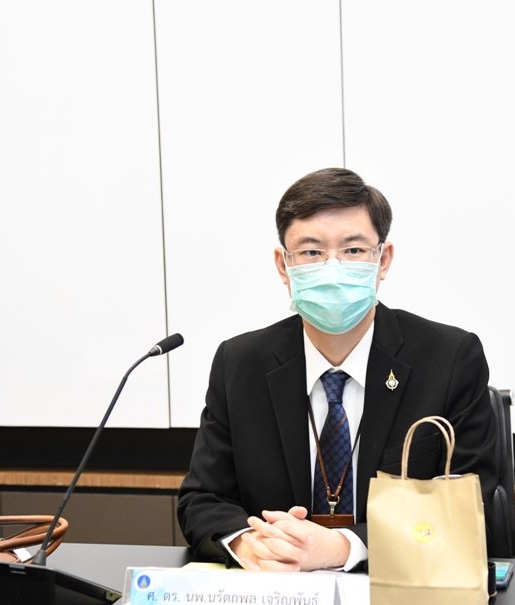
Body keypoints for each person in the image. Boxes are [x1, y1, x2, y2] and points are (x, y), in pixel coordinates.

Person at [177, 168, 497, 572]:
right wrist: (248, 544)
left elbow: (470, 508)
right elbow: (203, 499)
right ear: (283, 265)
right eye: (311, 252)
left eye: (353, 250)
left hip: (400, 593)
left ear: (383, 260)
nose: (333, 268)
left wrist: (345, 547)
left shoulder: (449, 359)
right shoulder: (240, 364)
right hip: (277, 594)